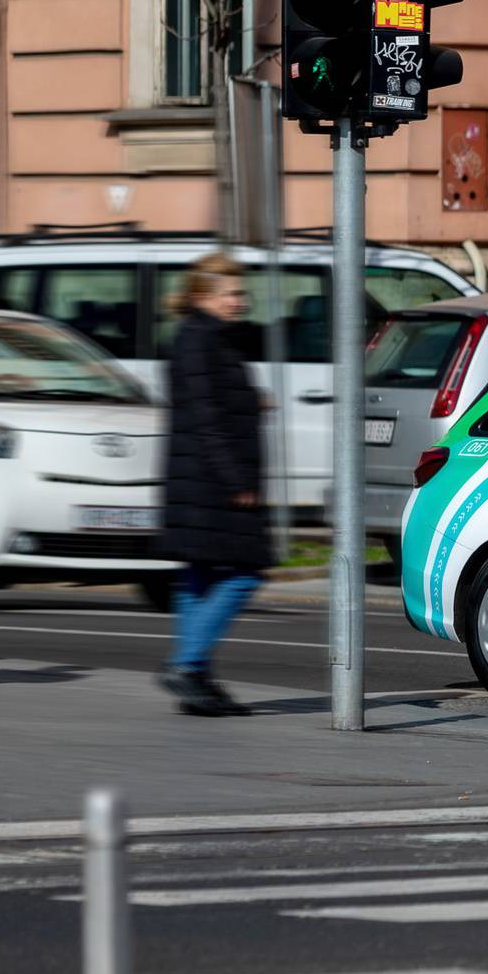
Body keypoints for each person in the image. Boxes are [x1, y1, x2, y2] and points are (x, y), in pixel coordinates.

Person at [156, 253, 269, 717]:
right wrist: (236, 479)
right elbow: (206, 420)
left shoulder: (203, 338)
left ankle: (196, 678)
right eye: (232, 294)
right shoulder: (200, 341)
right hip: (210, 483)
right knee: (246, 573)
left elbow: (212, 404)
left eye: (241, 293)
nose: (240, 302)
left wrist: (252, 400)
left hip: (196, 480)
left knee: (199, 575)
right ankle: (186, 664)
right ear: (204, 296)